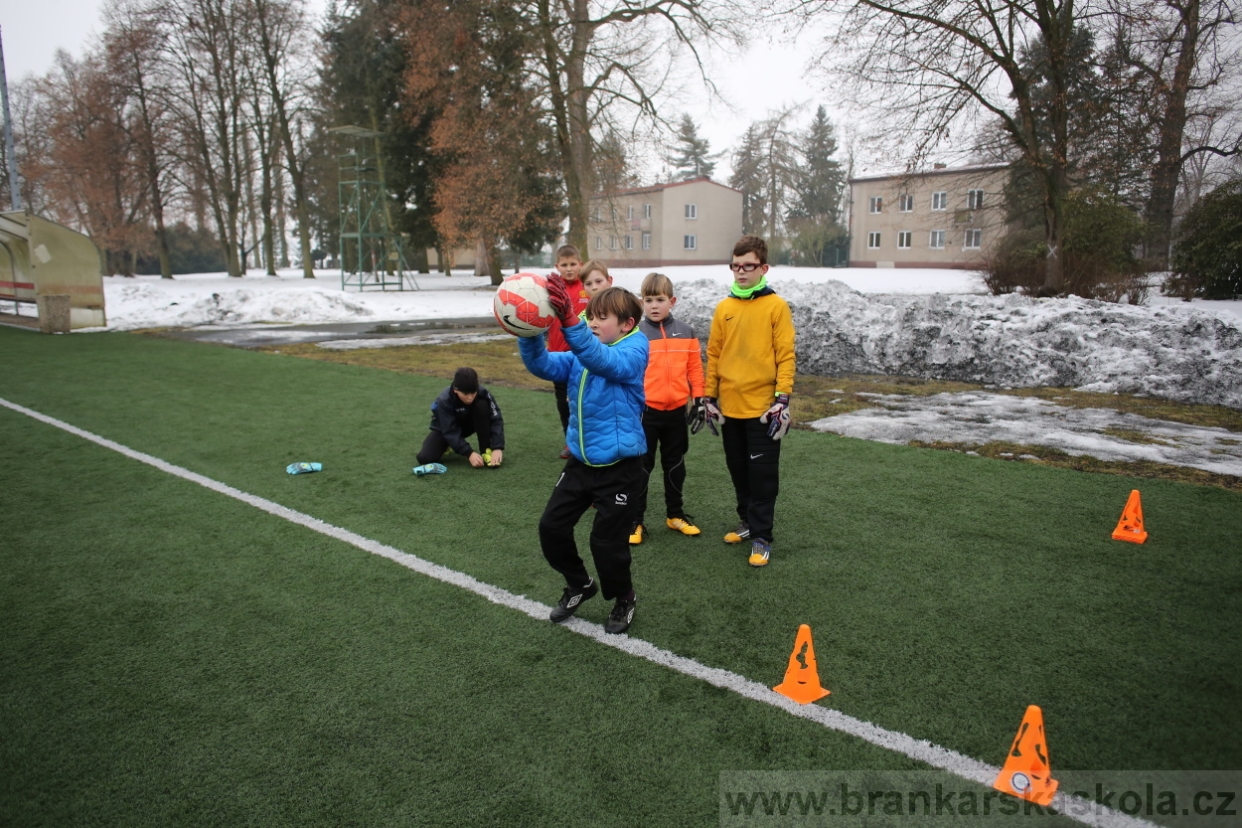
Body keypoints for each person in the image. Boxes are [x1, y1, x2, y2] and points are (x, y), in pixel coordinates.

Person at [518, 285, 648, 634]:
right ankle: (579, 584)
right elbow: (542, 363)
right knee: (551, 528)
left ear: (626, 323)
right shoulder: (582, 353)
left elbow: (602, 361)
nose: (591, 322)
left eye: (600, 318)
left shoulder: (634, 349)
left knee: (605, 544)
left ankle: (624, 597)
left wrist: (570, 321)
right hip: (581, 464)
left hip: (621, 469)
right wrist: (531, 329)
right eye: (590, 315)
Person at [701, 235, 796, 567]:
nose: (741, 272)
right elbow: (713, 356)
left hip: (764, 410)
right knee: (738, 470)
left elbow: (785, 356)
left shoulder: (776, 306)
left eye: (748, 266)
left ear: (763, 267)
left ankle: (762, 536)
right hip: (729, 408)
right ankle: (747, 521)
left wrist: (782, 397)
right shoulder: (724, 308)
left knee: (763, 475)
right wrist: (708, 396)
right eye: (736, 266)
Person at [629, 272, 704, 545]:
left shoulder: (687, 331)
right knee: (641, 468)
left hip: (676, 414)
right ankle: (635, 521)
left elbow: (695, 370)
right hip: (645, 414)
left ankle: (675, 515)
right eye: (648, 300)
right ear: (641, 302)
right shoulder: (635, 334)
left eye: (660, 299)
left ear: (672, 301)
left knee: (675, 466)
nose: (654, 305)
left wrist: (699, 399)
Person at [545, 245, 590, 458]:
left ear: (580, 264)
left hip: (583, 356)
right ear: (557, 266)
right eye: (565, 265)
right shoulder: (551, 288)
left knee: (585, 400)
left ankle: (589, 440)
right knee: (564, 403)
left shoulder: (588, 286)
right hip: (557, 356)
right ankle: (570, 442)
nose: (569, 269)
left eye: (573, 264)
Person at [413, 367, 504, 474]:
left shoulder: (483, 392)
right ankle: (448, 445)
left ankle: (486, 450)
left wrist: (497, 447)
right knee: (424, 458)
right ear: (456, 390)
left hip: (469, 424)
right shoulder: (444, 400)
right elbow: (449, 430)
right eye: (466, 394)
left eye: (473, 393)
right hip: (446, 428)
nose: (470, 398)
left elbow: (496, 417)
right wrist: (469, 453)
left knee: (482, 405)